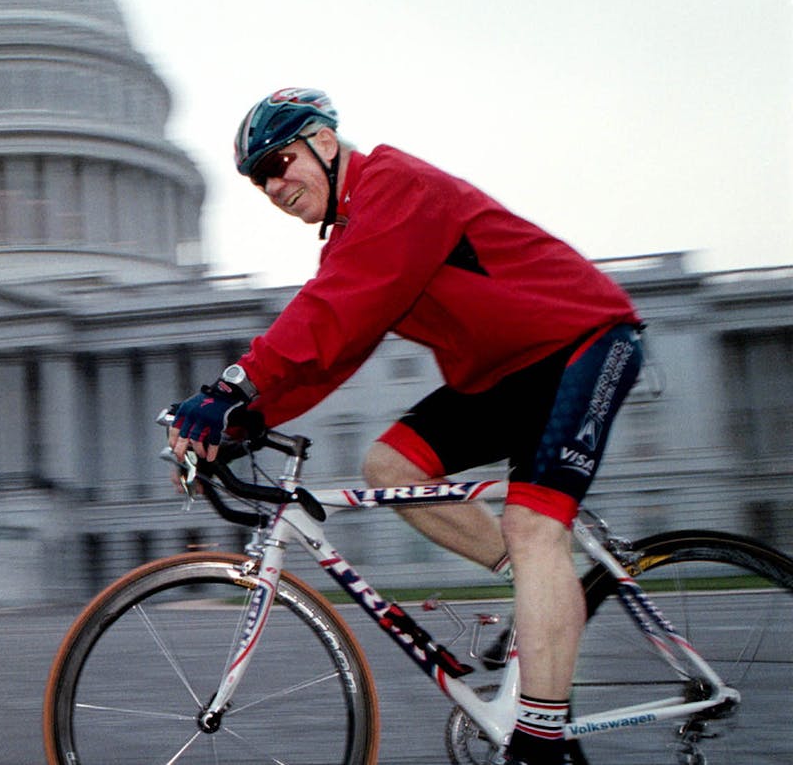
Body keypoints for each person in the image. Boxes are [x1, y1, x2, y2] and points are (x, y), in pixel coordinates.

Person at [168, 88, 644, 765]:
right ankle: (537, 592)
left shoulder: (394, 185)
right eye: (259, 177)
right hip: (503, 372)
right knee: (388, 469)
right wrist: (247, 418)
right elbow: (334, 348)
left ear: (324, 144)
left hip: (581, 341)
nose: (273, 184)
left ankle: (541, 743)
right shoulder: (355, 232)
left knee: (535, 524)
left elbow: (331, 309)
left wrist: (230, 385)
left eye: (280, 160)